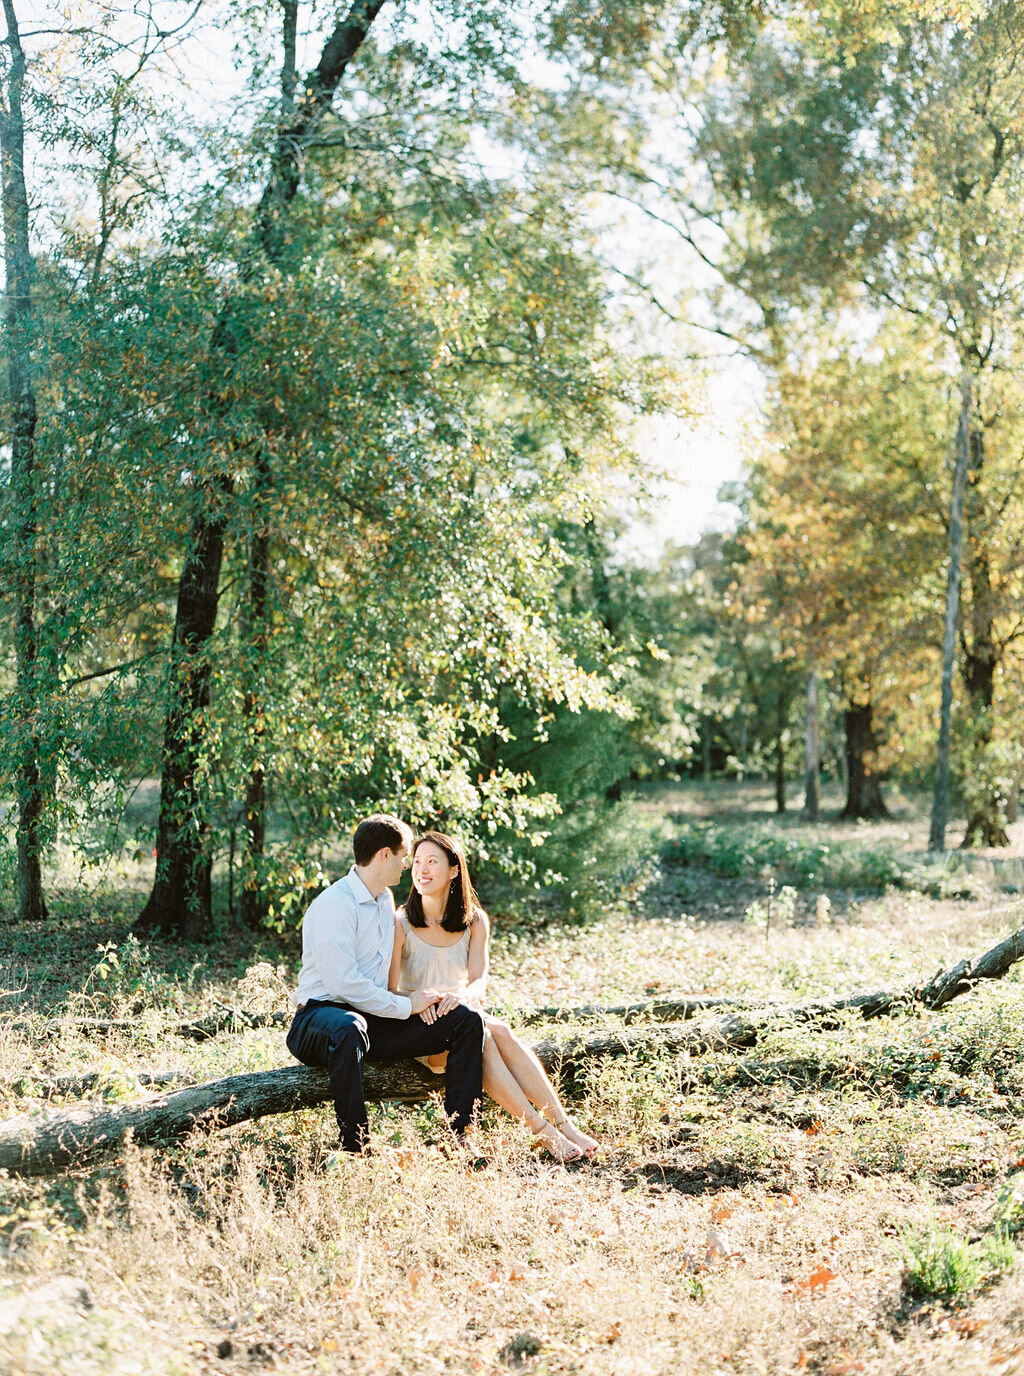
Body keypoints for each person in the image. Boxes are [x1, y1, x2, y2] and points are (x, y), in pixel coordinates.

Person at [389, 830, 600, 1164]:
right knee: (483, 1035)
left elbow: (478, 981)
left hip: (462, 1013)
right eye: (417, 862)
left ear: (454, 870)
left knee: (495, 1030)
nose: (422, 870)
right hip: (423, 1027)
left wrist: (459, 999)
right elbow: (389, 991)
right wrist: (421, 1000)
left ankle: (564, 1126)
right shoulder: (399, 922)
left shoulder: (474, 921)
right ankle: (544, 1132)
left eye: (432, 862)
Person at [286, 814, 485, 1154]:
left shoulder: (384, 902)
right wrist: (407, 1006)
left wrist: (418, 1008)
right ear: (383, 855)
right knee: (349, 1026)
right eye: (404, 855)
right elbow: (344, 985)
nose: (408, 865)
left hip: (372, 1019)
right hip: (319, 1021)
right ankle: (356, 1145)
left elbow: (379, 989)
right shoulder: (333, 905)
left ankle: (459, 1136)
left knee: (467, 1020)